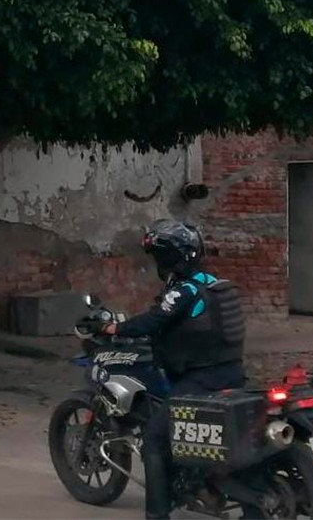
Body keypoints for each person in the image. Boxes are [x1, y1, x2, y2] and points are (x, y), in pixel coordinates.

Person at [102, 219, 246, 520]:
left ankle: (157, 514)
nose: (158, 263)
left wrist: (115, 326)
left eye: (159, 256)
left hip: (200, 379)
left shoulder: (184, 292)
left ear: (171, 258)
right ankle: (199, 482)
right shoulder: (213, 283)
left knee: (155, 439)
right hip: (232, 373)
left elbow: (154, 321)